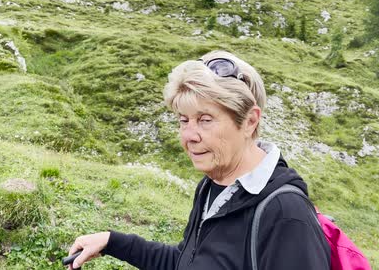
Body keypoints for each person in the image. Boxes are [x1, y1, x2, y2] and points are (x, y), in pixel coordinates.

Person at [67, 50, 330, 269]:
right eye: (184, 120)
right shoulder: (213, 185)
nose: (189, 135)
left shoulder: (286, 214)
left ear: (250, 121)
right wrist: (112, 242)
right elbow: (187, 262)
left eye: (205, 120)